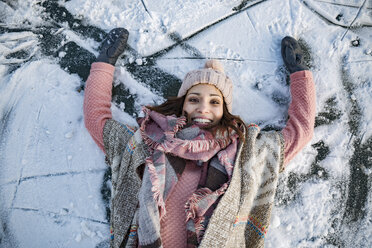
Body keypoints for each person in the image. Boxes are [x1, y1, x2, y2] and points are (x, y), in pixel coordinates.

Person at [83, 28, 315, 248]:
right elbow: (98, 120)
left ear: (225, 110)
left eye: (215, 102)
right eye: (194, 99)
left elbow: (300, 131)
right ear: (182, 104)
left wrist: (299, 74)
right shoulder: (151, 141)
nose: (203, 108)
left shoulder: (243, 153)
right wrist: (105, 63)